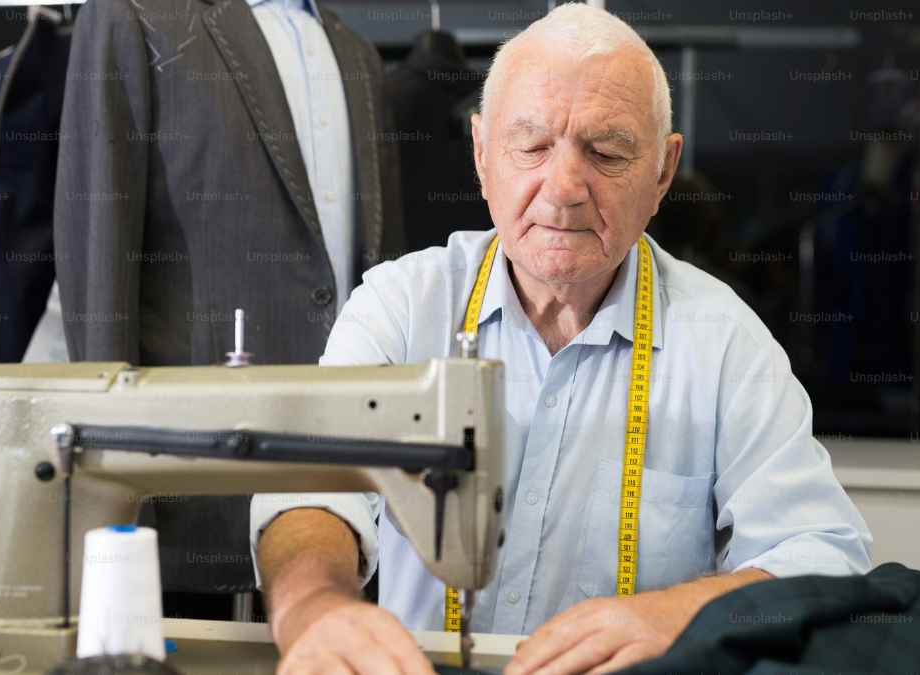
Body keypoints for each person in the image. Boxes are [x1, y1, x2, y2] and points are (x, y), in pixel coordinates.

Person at [250, 5, 873, 674]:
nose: (565, 187)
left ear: (664, 172)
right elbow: (310, 484)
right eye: (533, 146)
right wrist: (315, 603)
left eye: (606, 151)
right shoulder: (403, 307)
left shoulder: (725, 345)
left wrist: (679, 612)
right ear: (483, 156)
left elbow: (825, 557)